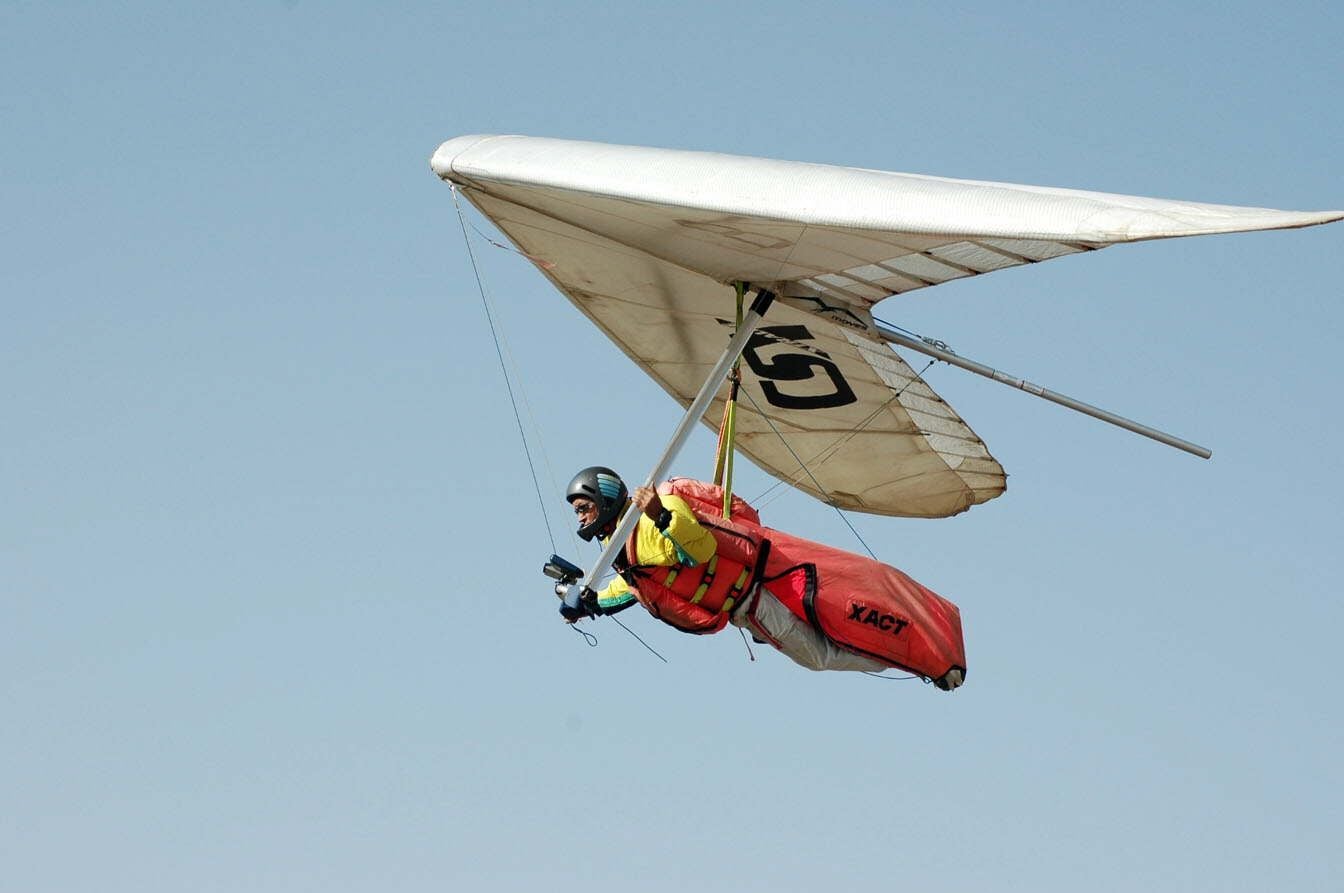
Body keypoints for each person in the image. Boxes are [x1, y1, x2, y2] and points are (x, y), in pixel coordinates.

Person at [560, 466, 922, 678]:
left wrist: (661, 515)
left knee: (820, 653)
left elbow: (700, 549)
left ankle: (914, 658)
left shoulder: (654, 516)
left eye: (583, 508)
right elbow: (632, 587)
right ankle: (906, 655)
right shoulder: (627, 547)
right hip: (746, 609)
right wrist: (589, 604)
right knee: (825, 643)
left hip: (759, 597)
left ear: (605, 500)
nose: (580, 517)